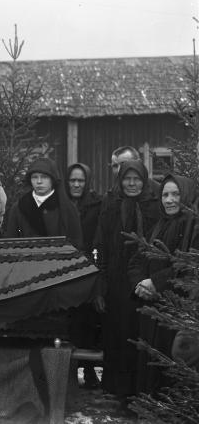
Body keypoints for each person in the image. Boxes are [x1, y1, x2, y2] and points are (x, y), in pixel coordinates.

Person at [94, 160, 161, 398]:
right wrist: (100, 285)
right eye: (127, 179)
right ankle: (118, 391)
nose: (132, 184)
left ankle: (139, 391)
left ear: (144, 181)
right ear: (120, 181)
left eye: (137, 179)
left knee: (139, 336)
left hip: (143, 281)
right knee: (118, 335)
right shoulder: (111, 204)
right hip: (115, 281)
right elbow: (100, 243)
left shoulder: (154, 206)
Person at [127, 173, 199, 394]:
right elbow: (137, 260)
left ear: (186, 195)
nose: (169, 200)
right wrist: (140, 284)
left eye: (175, 194)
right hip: (151, 308)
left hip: (176, 311)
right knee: (150, 364)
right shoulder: (158, 225)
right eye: (165, 195)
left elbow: (188, 264)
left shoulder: (194, 228)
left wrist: (155, 283)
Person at [65, 162, 104, 388]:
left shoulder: (97, 204)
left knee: (88, 322)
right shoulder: (61, 203)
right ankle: (67, 374)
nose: (76, 184)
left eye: (80, 180)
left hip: (88, 267)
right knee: (68, 322)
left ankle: (89, 371)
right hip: (64, 269)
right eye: (72, 180)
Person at [3, 157, 83, 248]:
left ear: (52, 179)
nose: (39, 181)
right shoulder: (19, 207)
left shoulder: (67, 208)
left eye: (44, 177)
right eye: (35, 177)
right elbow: (11, 242)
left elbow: (76, 244)